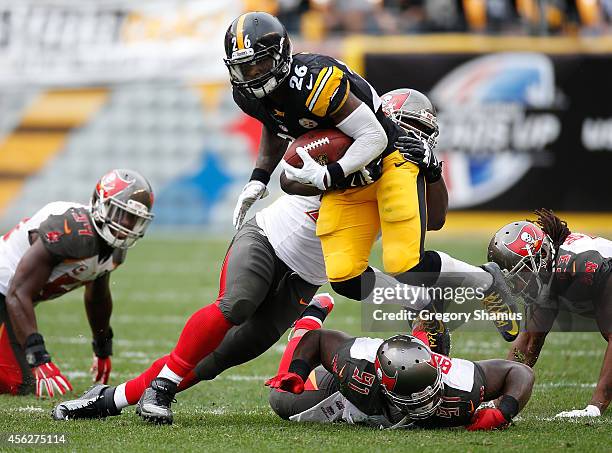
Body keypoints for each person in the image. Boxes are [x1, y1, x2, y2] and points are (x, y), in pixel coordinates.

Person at [227, 11, 519, 342]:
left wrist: (431, 169)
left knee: (405, 264)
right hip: (346, 183)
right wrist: (262, 178)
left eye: (421, 131)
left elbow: (434, 217)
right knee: (345, 276)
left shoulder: (329, 93)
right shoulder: (307, 111)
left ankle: (486, 282)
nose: (252, 74)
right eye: (409, 127)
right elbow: (288, 164)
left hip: (383, 168)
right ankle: (420, 303)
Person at [0, 169, 154, 397]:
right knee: (18, 381)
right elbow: (17, 291)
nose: (127, 225)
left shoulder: (115, 250)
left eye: (134, 218)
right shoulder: (72, 231)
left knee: (18, 383)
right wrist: (38, 355)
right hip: (7, 289)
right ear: (100, 204)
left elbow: (97, 296)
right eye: (121, 214)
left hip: (13, 298)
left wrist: (102, 347)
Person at [265, 324, 534, 430]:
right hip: (348, 394)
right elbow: (320, 340)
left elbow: (520, 372)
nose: (425, 405)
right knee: (281, 400)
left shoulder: (461, 385)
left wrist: (504, 412)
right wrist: (298, 371)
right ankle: (310, 315)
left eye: (428, 394)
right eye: (414, 399)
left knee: (432, 331)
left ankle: (425, 334)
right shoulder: (358, 363)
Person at [488, 208, 611, 418]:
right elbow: (527, 346)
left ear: (541, 257)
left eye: (518, 275)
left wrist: (595, 407)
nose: (514, 287)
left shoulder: (580, 266)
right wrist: (494, 401)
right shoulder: (546, 276)